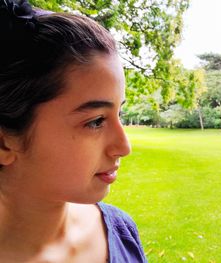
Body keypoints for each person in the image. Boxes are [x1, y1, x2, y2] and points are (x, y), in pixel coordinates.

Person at [0, 0, 147, 262]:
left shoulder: (121, 232)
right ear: (4, 143)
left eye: (119, 113)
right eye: (95, 121)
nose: (124, 147)